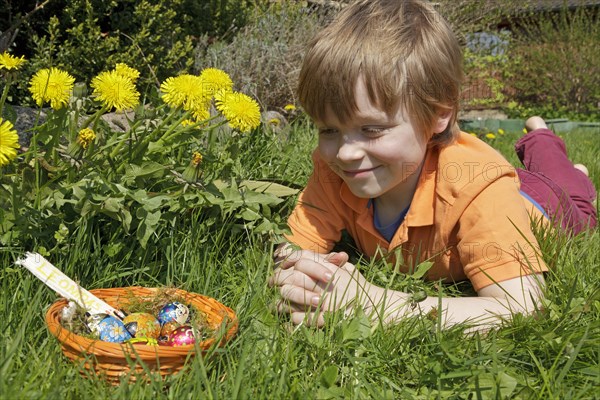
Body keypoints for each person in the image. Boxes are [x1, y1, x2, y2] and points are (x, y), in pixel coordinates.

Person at [268, 0, 597, 330]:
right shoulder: (333, 169)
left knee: (569, 186)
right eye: (328, 130)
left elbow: (523, 307)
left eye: (372, 129)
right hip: (509, 192)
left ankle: (545, 139)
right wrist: (303, 272)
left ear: (440, 113)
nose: (345, 153)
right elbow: (292, 247)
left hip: (546, 202)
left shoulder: (480, 187)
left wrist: (372, 304)